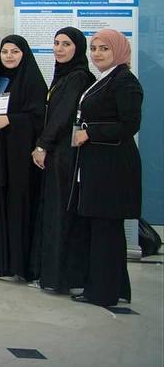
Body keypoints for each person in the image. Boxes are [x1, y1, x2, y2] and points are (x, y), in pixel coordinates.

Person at [68, 28, 142, 308]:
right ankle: (113, 288)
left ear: (119, 51)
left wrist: (90, 132)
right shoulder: (107, 78)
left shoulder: (125, 82)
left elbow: (129, 124)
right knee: (103, 230)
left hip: (112, 166)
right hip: (97, 163)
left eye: (104, 49)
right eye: (94, 48)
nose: (97, 54)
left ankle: (103, 292)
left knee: (106, 231)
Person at [30, 28, 95, 294]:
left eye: (66, 44)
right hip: (57, 153)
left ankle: (59, 278)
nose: (59, 49)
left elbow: (62, 116)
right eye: (56, 43)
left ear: (77, 48)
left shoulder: (78, 77)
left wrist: (42, 145)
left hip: (64, 156)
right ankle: (50, 275)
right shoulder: (64, 75)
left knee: (60, 216)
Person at [0, 35, 47, 282]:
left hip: (19, 157)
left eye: (15, 51)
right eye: (5, 51)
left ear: (24, 54)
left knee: (17, 206)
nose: (9, 56)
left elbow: (38, 116)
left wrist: (11, 120)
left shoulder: (32, 81)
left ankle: (17, 266)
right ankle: (0, 260)